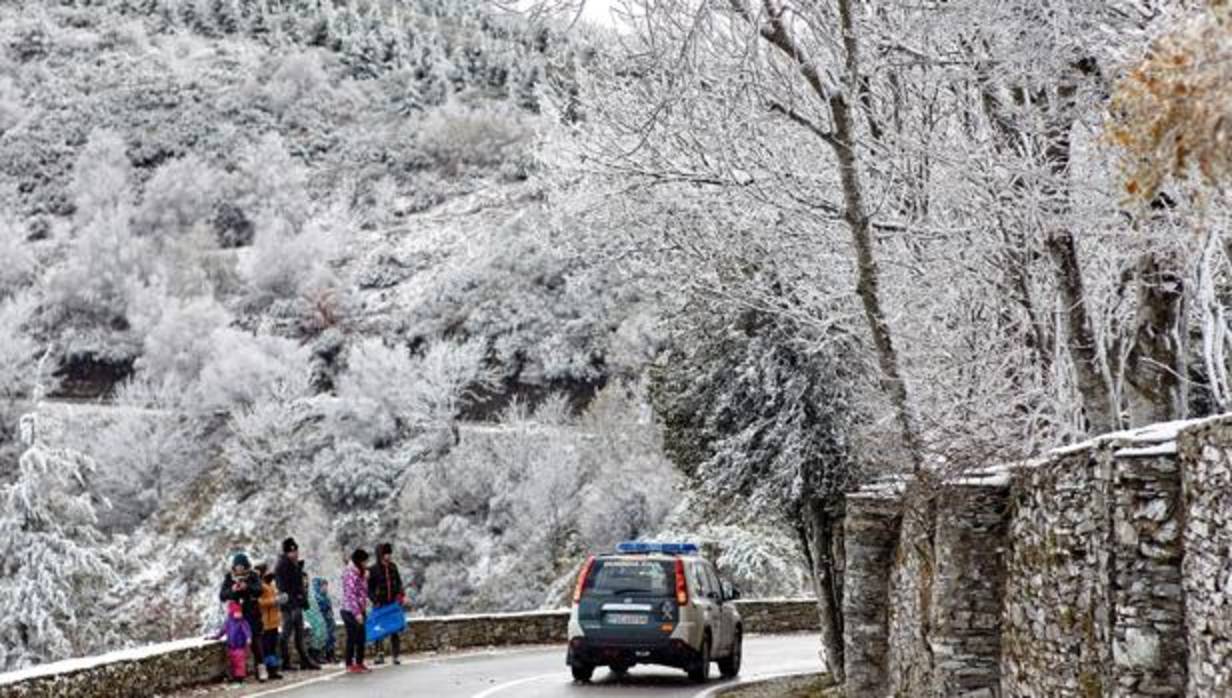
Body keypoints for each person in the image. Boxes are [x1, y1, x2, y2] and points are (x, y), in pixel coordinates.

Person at [275, 537, 320, 671]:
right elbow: (284, 588)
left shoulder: (294, 565)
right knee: (286, 634)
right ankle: (286, 661)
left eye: (296, 551)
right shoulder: (283, 566)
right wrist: (291, 602)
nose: (295, 553)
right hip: (289, 605)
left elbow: (299, 586)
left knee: (299, 634)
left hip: (296, 603)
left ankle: (305, 660)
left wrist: (302, 601)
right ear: (287, 552)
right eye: (292, 551)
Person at [218, 553, 264, 679]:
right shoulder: (229, 577)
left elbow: (260, 590)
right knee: (237, 644)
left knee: (256, 641)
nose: (239, 569)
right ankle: (239, 673)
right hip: (236, 616)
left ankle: (260, 668)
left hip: (252, 613)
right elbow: (222, 595)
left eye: (241, 566)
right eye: (237, 566)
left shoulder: (253, 575)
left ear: (245, 566)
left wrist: (247, 587)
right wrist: (233, 590)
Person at [367, 542, 407, 665]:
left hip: (393, 604)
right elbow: (368, 589)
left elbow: (399, 583)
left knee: (395, 629)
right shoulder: (372, 570)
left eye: (389, 553)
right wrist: (375, 600)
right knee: (379, 630)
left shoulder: (393, 567)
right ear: (380, 555)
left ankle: (396, 655)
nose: (388, 556)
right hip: (380, 604)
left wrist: (401, 595)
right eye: (385, 554)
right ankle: (379, 655)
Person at [341, 548, 371, 674]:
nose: (366, 564)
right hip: (349, 610)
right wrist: (357, 613)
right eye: (364, 561)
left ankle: (359, 662)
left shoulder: (361, 573)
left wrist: (365, 578)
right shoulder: (350, 573)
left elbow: (362, 591)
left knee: (361, 637)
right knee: (352, 637)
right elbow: (350, 594)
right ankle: (349, 663)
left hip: (360, 608)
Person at [255, 563, 284, 681]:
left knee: (273, 646)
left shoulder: (270, 584)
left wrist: (280, 599)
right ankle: (267, 669)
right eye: (267, 570)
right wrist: (274, 600)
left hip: (273, 621)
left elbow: (273, 597)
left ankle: (273, 669)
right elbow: (259, 602)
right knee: (266, 647)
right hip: (265, 621)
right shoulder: (259, 586)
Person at [215, 601, 253, 684]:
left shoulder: (242, 622)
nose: (239, 614)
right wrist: (216, 636)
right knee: (232, 662)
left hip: (240, 646)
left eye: (240, 612)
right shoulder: (228, 622)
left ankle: (240, 678)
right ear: (232, 613)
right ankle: (233, 677)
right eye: (237, 612)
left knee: (240, 662)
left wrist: (248, 638)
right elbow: (223, 630)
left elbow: (247, 631)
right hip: (231, 646)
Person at [306, 577, 336, 664]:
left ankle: (330, 655)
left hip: (329, 620)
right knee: (322, 638)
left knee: (331, 637)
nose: (325, 588)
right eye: (323, 586)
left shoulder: (326, 597)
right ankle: (320, 655)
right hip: (322, 620)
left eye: (326, 586)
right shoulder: (317, 598)